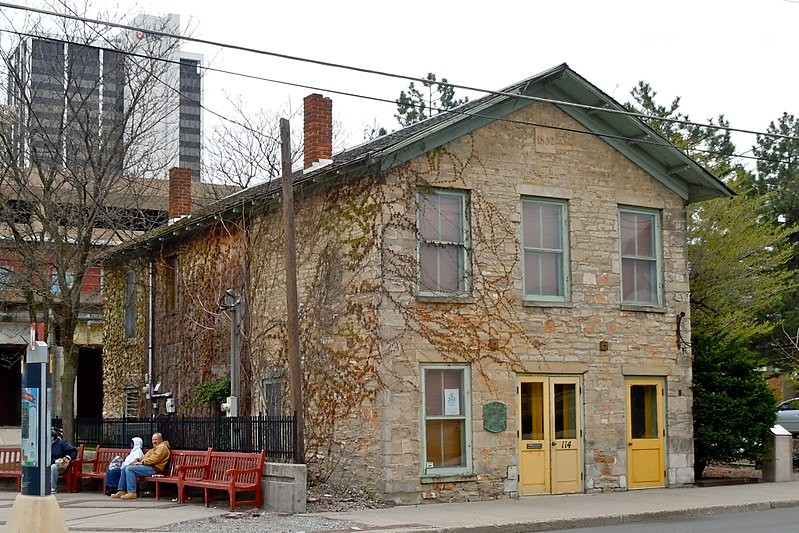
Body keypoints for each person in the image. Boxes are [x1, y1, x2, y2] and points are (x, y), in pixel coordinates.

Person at [111, 432, 170, 500]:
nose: (154, 441)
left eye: (156, 439)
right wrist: (138, 460)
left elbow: (155, 459)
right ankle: (122, 490)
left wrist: (142, 462)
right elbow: (146, 456)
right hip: (150, 467)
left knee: (130, 469)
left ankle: (132, 492)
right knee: (124, 467)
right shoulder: (156, 448)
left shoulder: (162, 447)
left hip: (155, 469)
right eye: (153, 440)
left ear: (161, 440)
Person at [50, 428, 77, 494]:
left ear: (52, 437)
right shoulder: (45, 444)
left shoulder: (62, 443)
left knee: (53, 467)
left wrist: (67, 458)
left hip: (60, 465)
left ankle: (53, 488)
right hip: (49, 462)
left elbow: (73, 451)